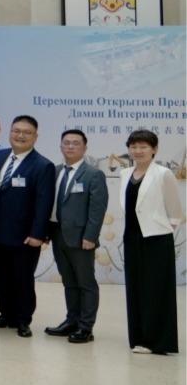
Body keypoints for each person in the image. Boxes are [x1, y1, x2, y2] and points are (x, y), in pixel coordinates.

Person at [117, 129, 183, 355]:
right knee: (135, 289)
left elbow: (175, 213)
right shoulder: (125, 173)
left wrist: (162, 230)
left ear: (154, 149)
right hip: (131, 237)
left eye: (143, 147)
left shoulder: (164, 174)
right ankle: (139, 337)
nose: (138, 151)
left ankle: (157, 341)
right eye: (134, 147)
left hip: (156, 239)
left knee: (156, 290)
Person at [0, 115, 55, 338]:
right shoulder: (0, 156)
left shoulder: (43, 165)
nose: (20, 136)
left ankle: (23, 319)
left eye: (27, 133)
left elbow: (44, 203)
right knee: (1, 276)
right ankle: (6, 314)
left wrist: (38, 234)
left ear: (35, 137)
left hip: (24, 235)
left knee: (23, 278)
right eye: (16, 131)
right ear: (9, 133)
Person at [43, 129, 107, 344]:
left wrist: (91, 236)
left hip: (81, 237)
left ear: (85, 148)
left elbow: (97, 209)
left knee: (85, 282)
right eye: (67, 143)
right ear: (61, 147)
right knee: (69, 280)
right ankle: (72, 320)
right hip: (57, 233)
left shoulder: (93, 174)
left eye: (76, 143)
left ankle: (86, 327)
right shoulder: (55, 171)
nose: (70, 146)